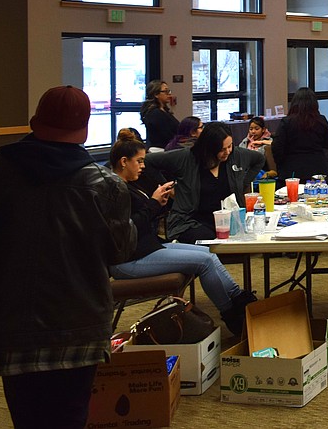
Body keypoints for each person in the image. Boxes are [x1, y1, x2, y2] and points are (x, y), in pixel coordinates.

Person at [0, 86, 136, 429]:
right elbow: (121, 252)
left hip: (10, 322)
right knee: (71, 417)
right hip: (79, 326)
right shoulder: (105, 184)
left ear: (34, 121)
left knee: (25, 417)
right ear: (84, 130)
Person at [107, 130, 256, 335]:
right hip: (129, 259)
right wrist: (152, 204)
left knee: (207, 252)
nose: (143, 166)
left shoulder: (130, 187)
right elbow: (129, 229)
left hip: (146, 247)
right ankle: (232, 314)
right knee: (204, 261)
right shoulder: (116, 192)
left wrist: (158, 203)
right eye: (139, 161)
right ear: (124, 162)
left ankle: (239, 299)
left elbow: (144, 221)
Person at [147, 122, 265, 243]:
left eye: (230, 146)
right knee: (208, 240)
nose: (228, 151)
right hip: (191, 220)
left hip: (228, 220)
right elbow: (148, 161)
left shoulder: (236, 154)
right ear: (209, 147)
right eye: (222, 149)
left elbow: (259, 159)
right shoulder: (186, 157)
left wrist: (243, 183)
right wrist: (166, 187)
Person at [271, 87, 328, 182]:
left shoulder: (286, 122)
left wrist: (281, 164)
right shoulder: (321, 120)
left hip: (291, 169)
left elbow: (277, 148)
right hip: (317, 168)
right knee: (317, 196)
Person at [141, 78, 179, 150]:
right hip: (162, 150)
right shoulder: (155, 113)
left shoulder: (164, 110)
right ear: (156, 94)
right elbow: (167, 135)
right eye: (166, 92)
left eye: (169, 91)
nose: (169, 94)